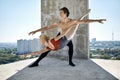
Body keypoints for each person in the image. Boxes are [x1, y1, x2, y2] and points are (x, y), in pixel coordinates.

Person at [28, 7, 106, 67]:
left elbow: (85, 21)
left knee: (71, 46)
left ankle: (70, 62)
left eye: (61, 13)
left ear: (66, 13)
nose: (60, 14)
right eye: (60, 13)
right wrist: (35, 31)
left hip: (67, 38)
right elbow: (47, 27)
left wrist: (97, 20)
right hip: (61, 36)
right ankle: (36, 62)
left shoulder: (72, 21)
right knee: (48, 48)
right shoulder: (59, 23)